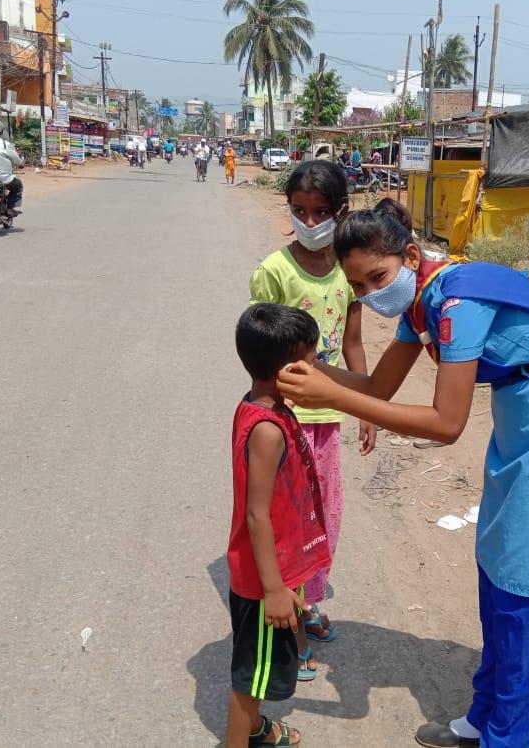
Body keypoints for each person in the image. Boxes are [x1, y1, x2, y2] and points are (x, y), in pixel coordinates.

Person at [278, 209, 529, 748]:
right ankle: (486, 717)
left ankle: (508, 737)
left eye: (377, 278)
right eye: (356, 286)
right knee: (499, 562)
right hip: (526, 417)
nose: (370, 293)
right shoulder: (420, 305)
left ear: (412, 258)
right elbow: (377, 389)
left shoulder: (459, 302)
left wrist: (332, 397)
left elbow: (446, 424)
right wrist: (315, 370)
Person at [249, 160, 376, 678]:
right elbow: (261, 352)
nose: (310, 220)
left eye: (321, 212)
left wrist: (368, 407)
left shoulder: (348, 276)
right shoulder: (274, 272)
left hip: (329, 419)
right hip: (286, 423)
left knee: (325, 519)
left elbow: (351, 343)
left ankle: (309, 599)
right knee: (290, 518)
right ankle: (290, 623)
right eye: (299, 211)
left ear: (339, 212)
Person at [227, 303, 332, 748]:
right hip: (265, 581)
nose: (317, 368)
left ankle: (256, 731)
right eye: (310, 361)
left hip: (276, 571)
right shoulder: (267, 429)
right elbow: (257, 514)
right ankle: (241, 736)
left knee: (258, 670)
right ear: (286, 370)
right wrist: (274, 588)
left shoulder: (261, 405)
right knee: (250, 683)